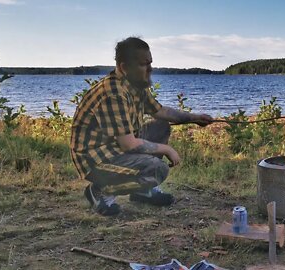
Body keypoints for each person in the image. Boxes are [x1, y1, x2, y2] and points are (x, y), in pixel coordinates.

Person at [70, 37, 213, 216]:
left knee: (161, 126)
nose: (150, 69)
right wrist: (166, 149)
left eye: (150, 63)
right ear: (124, 67)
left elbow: (160, 112)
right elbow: (128, 144)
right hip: (95, 159)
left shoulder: (136, 85)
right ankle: (100, 190)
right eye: (144, 64)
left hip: (115, 148)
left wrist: (194, 117)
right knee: (157, 169)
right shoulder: (113, 93)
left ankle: (142, 191)